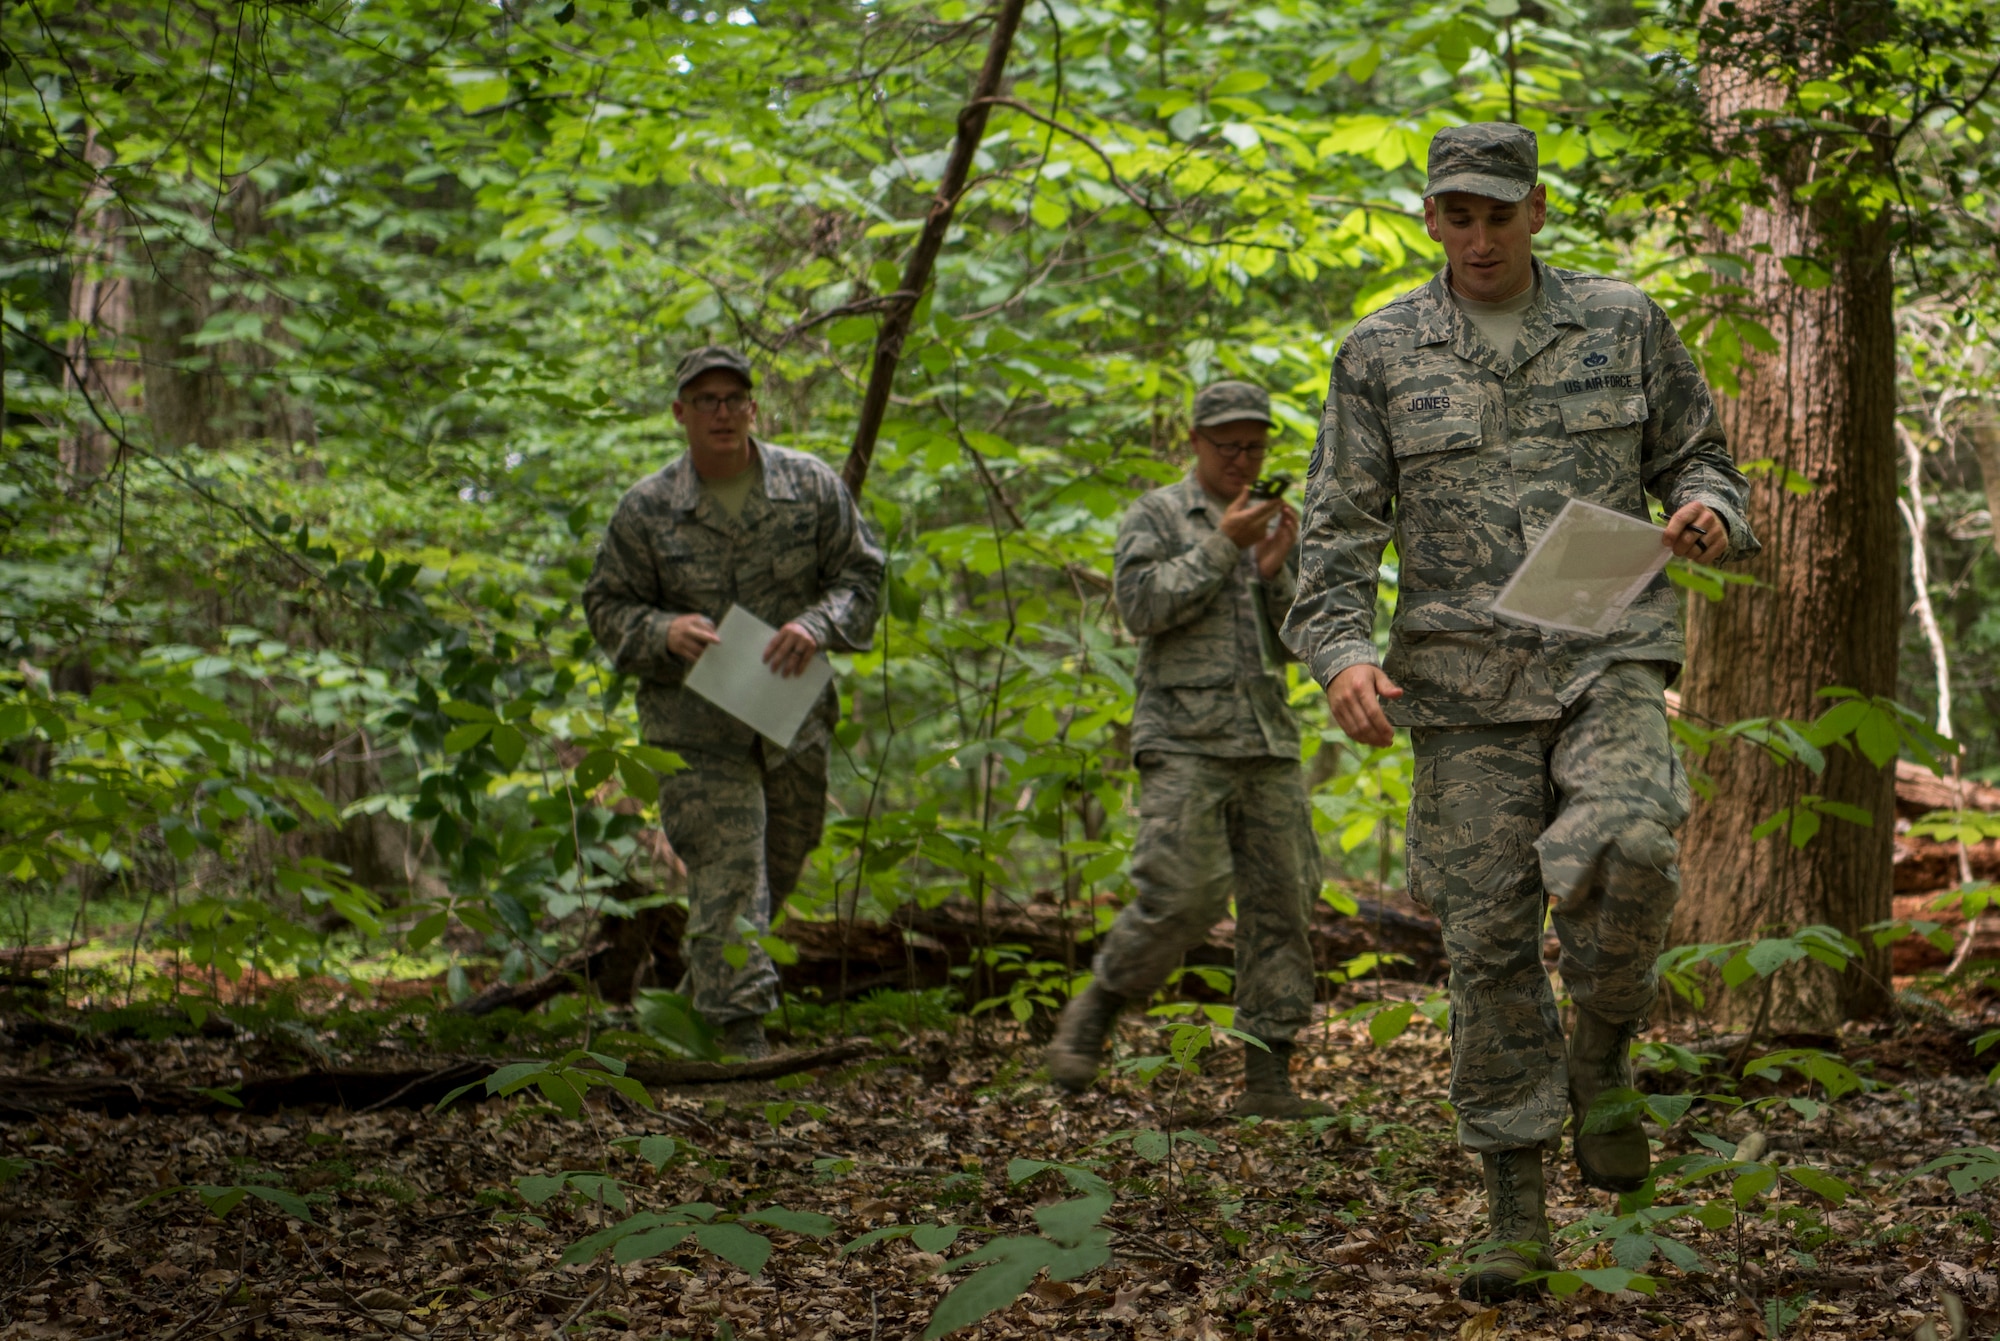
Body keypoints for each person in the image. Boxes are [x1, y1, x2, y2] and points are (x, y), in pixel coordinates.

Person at [1284, 122, 1762, 1299]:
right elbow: (1338, 528)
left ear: (1536, 210)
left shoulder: (1620, 320)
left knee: (1632, 842)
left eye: (1499, 212)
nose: (1479, 234)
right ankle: (1512, 1213)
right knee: (1485, 940)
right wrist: (1340, 654)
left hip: (1604, 643)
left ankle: (1600, 1046)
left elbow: (1701, 461)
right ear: (1430, 217)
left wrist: (1707, 513)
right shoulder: (1381, 350)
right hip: (1457, 682)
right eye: (1458, 213)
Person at [583, 345, 884, 1060]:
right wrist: (662, 629)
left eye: (735, 398)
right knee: (732, 862)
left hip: (790, 719)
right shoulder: (649, 507)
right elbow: (605, 603)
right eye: (706, 400)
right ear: (680, 413)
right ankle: (737, 1032)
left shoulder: (808, 486)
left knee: (777, 861)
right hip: (693, 726)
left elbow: (863, 578)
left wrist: (818, 624)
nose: (722, 412)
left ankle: (695, 991)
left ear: (754, 407)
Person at [1044, 380, 1331, 1119]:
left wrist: (1272, 569)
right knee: (1180, 893)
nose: (1243, 459)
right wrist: (1222, 546)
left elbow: (1296, 640)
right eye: (1228, 445)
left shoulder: (1266, 519)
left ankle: (1268, 1079)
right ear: (1195, 443)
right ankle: (1101, 1002)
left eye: (1256, 446)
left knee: (1285, 903)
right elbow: (1141, 607)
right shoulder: (1159, 514)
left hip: (1264, 738)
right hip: (1183, 738)